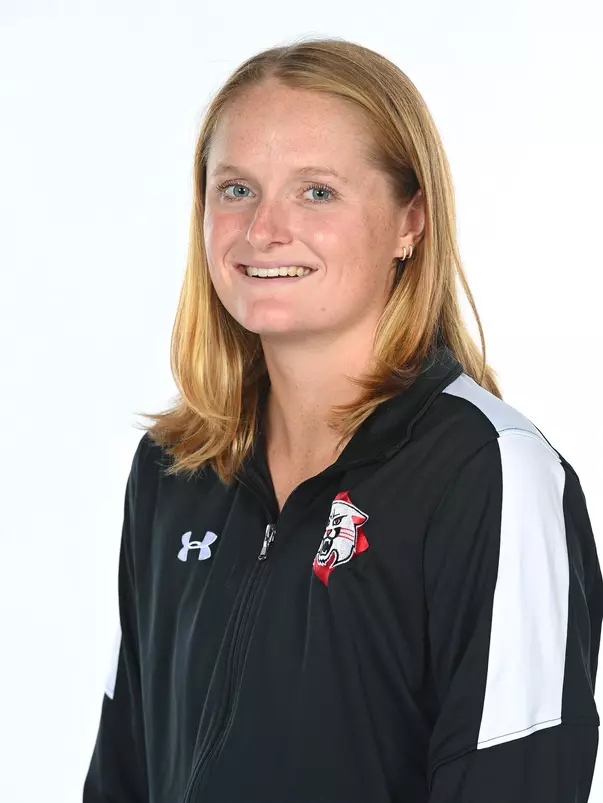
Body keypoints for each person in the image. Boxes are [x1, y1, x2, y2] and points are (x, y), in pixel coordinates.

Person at [83, 37, 602, 803]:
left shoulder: (487, 471)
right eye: (236, 190)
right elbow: (124, 769)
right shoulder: (174, 470)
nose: (263, 230)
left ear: (409, 222)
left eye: (315, 192)